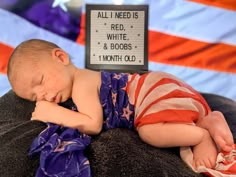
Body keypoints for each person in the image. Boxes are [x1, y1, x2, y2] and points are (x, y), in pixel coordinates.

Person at [7, 39, 234, 170]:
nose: (43, 95)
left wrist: (54, 113)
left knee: (150, 132)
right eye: (35, 97)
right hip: (154, 90)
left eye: (41, 82)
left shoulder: (82, 83)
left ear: (61, 57)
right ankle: (207, 119)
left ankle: (201, 134)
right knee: (161, 123)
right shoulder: (76, 83)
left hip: (149, 93)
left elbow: (93, 124)